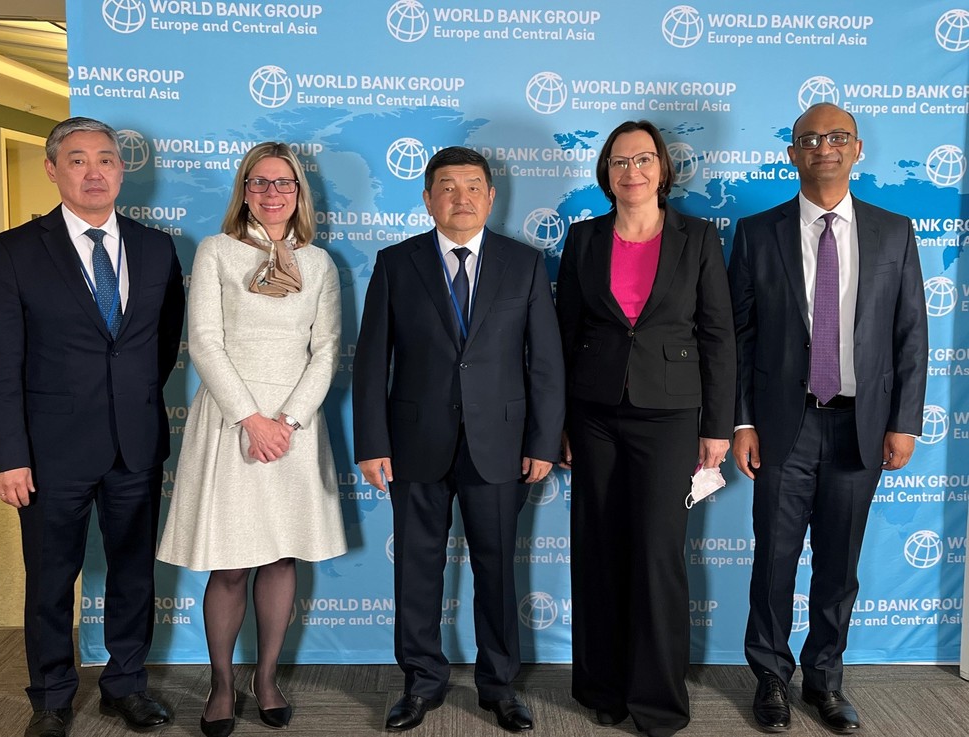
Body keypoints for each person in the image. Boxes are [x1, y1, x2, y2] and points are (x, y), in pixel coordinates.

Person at [0, 117, 185, 737]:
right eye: (77, 160)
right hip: (48, 452)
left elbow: (159, 344)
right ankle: (50, 697)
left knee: (134, 573)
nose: (94, 172)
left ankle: (126, 685)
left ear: (122, 170)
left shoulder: (156, 248)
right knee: (50, 579)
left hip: (134, 444)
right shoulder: (14, 251)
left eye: (106, 159)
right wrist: (6, 455)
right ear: (52, 169)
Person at [728, 102, 928, 734]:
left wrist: (905, 422)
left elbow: (910, 335)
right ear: (792, 154)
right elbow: (739, 338)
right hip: (782, 427)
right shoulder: (757, 233)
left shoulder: (894, 232)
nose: (824, 147)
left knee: (839, 566)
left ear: (857, 149)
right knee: (774, 561)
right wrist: (742, 421)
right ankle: (769, 678)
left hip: (860, 427)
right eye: (810, 139)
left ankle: (824, 680)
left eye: (837, 137)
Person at [352, 146, 565, 733]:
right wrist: (371, 441)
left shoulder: (524, 264)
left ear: (491, 197)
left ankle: (499, 686)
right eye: (447, 187)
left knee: (497, 571)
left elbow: (546, 362)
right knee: (416, 568)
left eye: (473, 186)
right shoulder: (396, 263)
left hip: (500, 444)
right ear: (428, 199)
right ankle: (421, 681)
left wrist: (544, 442)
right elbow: (371, 361)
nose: (461, 197)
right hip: (414, 441)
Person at [156, 142, 346, 737]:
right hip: (230, 421)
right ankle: (220, 684)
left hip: (295, 427)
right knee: (231, 564)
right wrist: (252, 420)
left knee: (281, 555)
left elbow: (326, 351)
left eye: (283, 183)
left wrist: (287, 421)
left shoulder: (319, 263)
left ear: (299, 193)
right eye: (259, 182)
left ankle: (266, 679)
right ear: (244, 190)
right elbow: (205, 343)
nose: (271, 193)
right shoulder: (216, 251)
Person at [556, 120, 736, 736]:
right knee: (598, 549)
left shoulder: (698, 237)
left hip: (671, 415)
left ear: (662, 169)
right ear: (605, 173)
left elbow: (718, 335)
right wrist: (559, 423)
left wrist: (717, 426)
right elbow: (564, 334)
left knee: (658, 554)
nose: (630, 171)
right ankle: (602, 689)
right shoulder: (583, 238)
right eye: (618, 161)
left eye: (642, 159)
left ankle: (658, 701)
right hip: (593, 415)